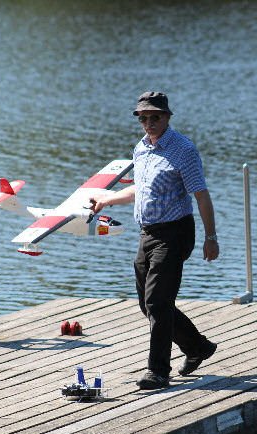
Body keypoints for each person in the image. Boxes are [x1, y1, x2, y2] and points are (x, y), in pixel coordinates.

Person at [90, 91, 219, 389]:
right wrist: (106, 200)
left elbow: (201, 194)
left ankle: (158, 371)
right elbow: (141, 190)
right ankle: (198, 347)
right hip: (147, 234)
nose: (149, 123)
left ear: (167, 117)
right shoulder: (141, 149)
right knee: (148, 305)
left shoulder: (183, 150)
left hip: (175, 233)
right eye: (143, 118)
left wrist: (211, 237)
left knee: (158, 303)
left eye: (155, 117)